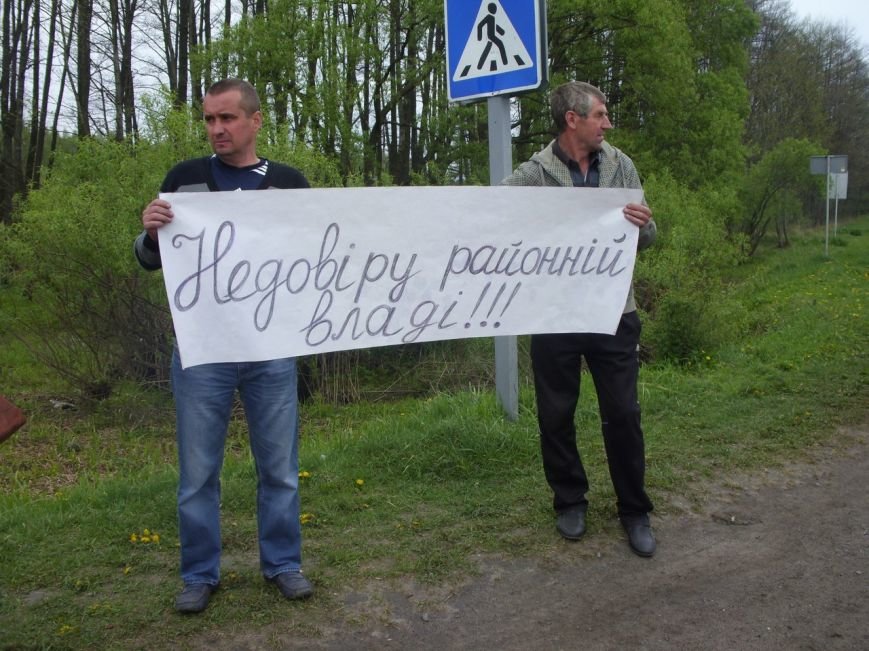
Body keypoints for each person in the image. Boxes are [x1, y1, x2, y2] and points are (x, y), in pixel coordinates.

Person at [134, 78, 314, 612]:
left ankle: (283, 564)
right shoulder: (184, 181)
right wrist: (148, 233)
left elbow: (318, 259)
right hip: (201, 350)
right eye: (210, 119)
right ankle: (199, 574)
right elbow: (151, 259)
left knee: (279, 467)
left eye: (228, 118)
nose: (217, 129)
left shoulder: (290, 184)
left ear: (255, 121)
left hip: (271, 346)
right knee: (198, 472)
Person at [503, 81, 658, 557]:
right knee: (556, 414)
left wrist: (642, 224)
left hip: (614, 311)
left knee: (624, 414)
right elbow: (492, 219)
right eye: (600, 115)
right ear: (573, 119)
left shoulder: (620, 165)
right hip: (555, 316)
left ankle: (635, 510)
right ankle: (569, 500)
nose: (607, 124)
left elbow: (648, 235)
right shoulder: (534, 174)